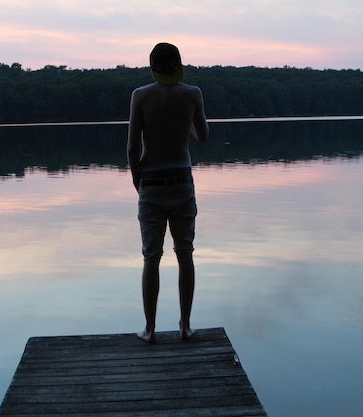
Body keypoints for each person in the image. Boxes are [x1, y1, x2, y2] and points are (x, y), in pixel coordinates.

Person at [127, 42, 209, 343]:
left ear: (152, 67)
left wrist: (138, 183)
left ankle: (149, 329)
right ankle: (185, 326)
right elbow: (203, 136)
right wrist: (183, 120)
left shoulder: (140, 96)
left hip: (151, 183)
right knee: (185, 254)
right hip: (182, 182)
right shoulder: (193, 94)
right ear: (179, 66)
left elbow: (132, 147)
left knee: (152, 257)